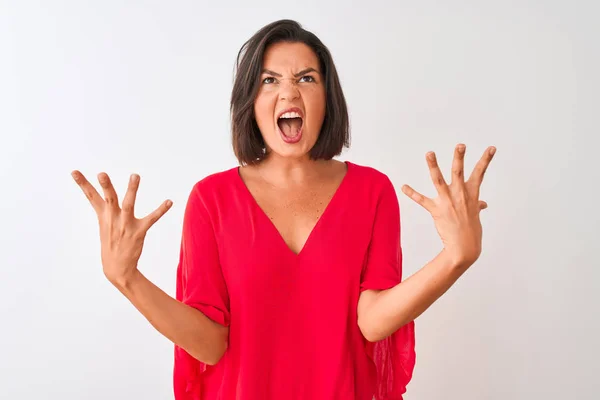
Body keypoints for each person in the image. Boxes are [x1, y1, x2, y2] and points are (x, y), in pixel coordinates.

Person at [71, 19, 495, 400]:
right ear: (250, 102)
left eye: (306, 78)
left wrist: (456, 257)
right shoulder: (211, 199)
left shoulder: (372, 191)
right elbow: (209, 343)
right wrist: (126, 278)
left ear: (327, 98)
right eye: (269, 80)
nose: (289, 91)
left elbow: (371, 322)